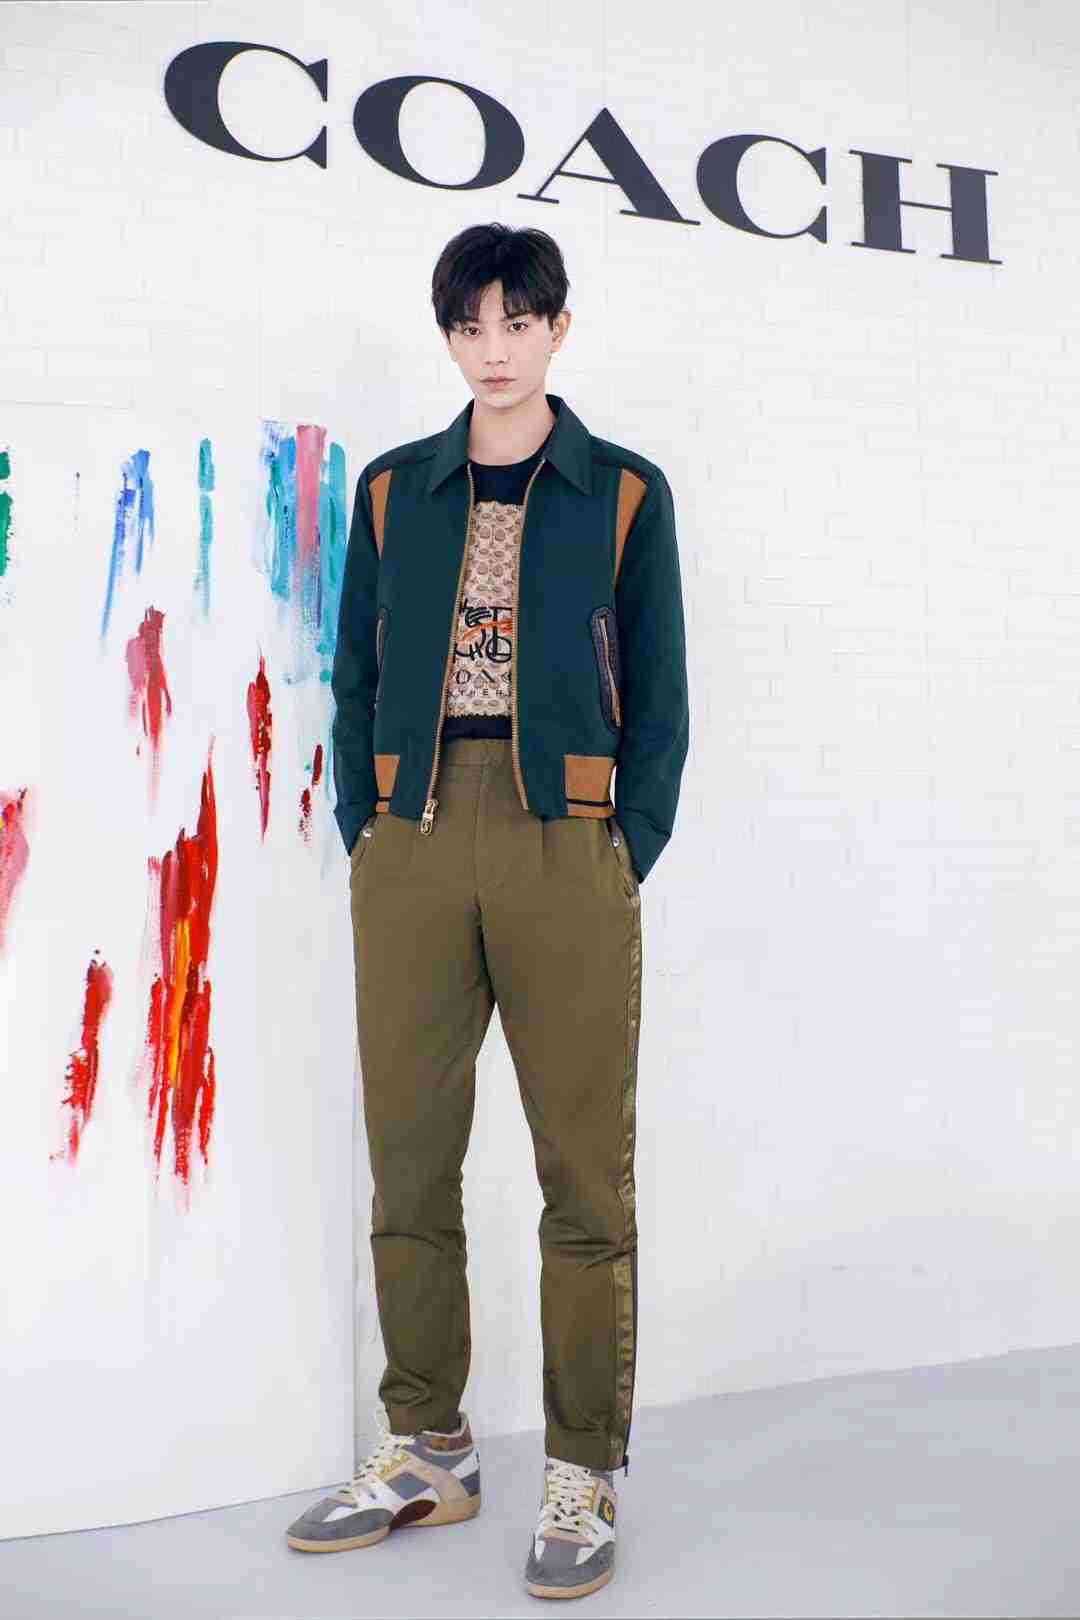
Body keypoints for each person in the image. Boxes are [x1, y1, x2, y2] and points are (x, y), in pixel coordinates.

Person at [286, 223, 689, 1600]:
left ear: (559, 329)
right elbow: (353, 669)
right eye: (471, 325)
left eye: (519, 322)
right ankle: (428, 1448)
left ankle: (582, 1466)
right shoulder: (395, 489)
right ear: (449, 335)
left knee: (582, 1174)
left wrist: (622, 847)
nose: (494, 349)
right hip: (409, 840)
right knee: (408, 1159)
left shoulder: (623, 490)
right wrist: (367, 825)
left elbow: (664, 692)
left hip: (566, 838)